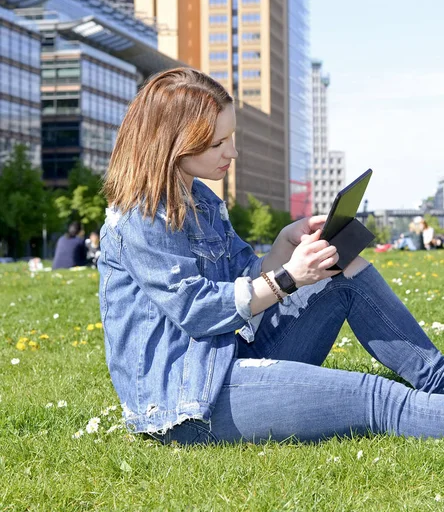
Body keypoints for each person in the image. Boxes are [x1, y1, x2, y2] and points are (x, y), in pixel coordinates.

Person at [98, 68, 444, 445]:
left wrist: (283, 246)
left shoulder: (203, 200)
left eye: (231, 137)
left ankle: (437, 378)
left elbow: (240, 276)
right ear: (172, 143)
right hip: (188, 400)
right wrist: (289, 277)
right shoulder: (139, 216)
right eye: (217, 143)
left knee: (342, 268)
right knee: (375, 398)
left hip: (227, 355)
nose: (231, 151)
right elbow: (196, 309)